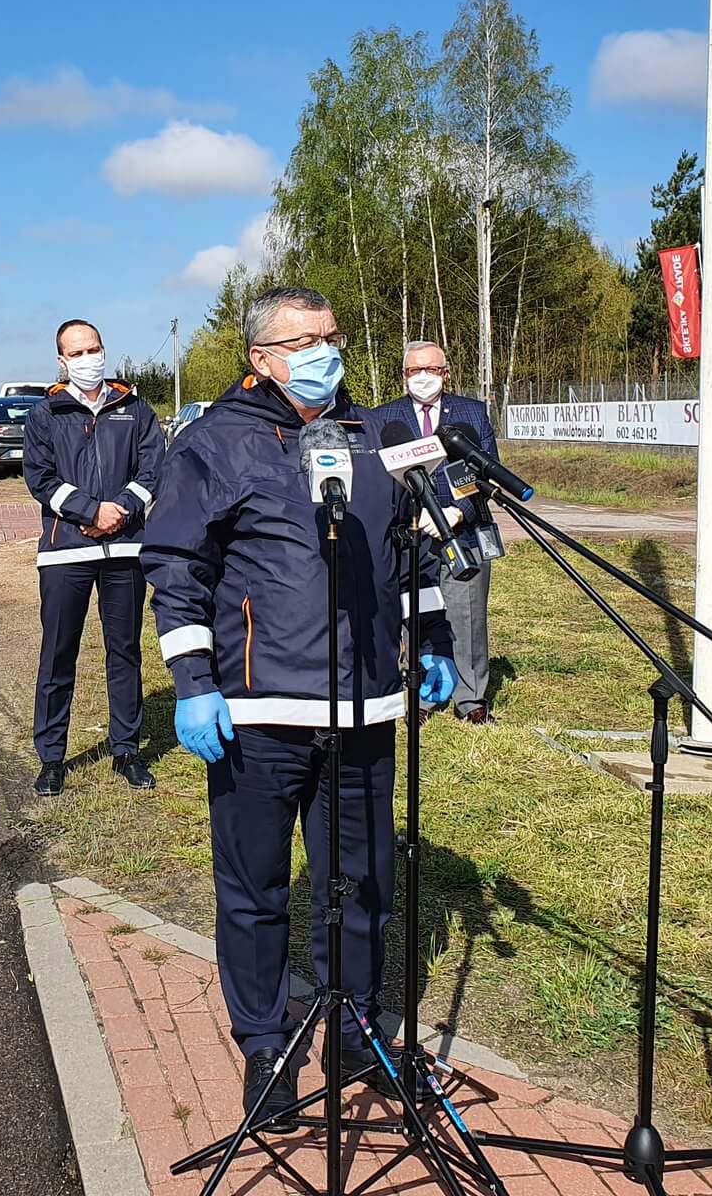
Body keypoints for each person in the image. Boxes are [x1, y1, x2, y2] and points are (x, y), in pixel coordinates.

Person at [141, 286, 461, 1128]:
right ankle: (266, 1046)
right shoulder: (214, 442)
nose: (326, 351)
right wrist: (193, 681)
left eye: (333, 334)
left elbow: (410, 552)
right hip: (256, 708)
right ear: (262, 359)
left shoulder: (378, 434)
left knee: (360, 883)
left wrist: (431, 642)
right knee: (256, 890)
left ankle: (356, 1028)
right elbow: (176, 565)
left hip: (363, 705)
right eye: (305, 339)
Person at [21, 319, 165, 797]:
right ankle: (51, 757)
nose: (88, 358)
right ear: (62, 360)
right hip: (66, 552)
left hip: (125, 549)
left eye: (94, 349)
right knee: (59, 654)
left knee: (124, 651)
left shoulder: (135, 409)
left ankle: (126, 748)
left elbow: (153, 468)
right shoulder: (45, 414)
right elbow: (40, 479)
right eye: (77, 352)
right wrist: (88, 510)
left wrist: (118, 511)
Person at [367, 340, 506, 725]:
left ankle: (470, 699)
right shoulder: (384, 419)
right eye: (414, 370)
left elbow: (484, 472)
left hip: (465, 531)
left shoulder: (471, 414)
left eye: (431, 369)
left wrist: (457, 512)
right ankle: (421, 695)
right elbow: (380, 482)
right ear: (404, 375)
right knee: (416, 617)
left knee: (468, 617)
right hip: (412, 536)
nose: (423, 377)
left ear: (446, 373)